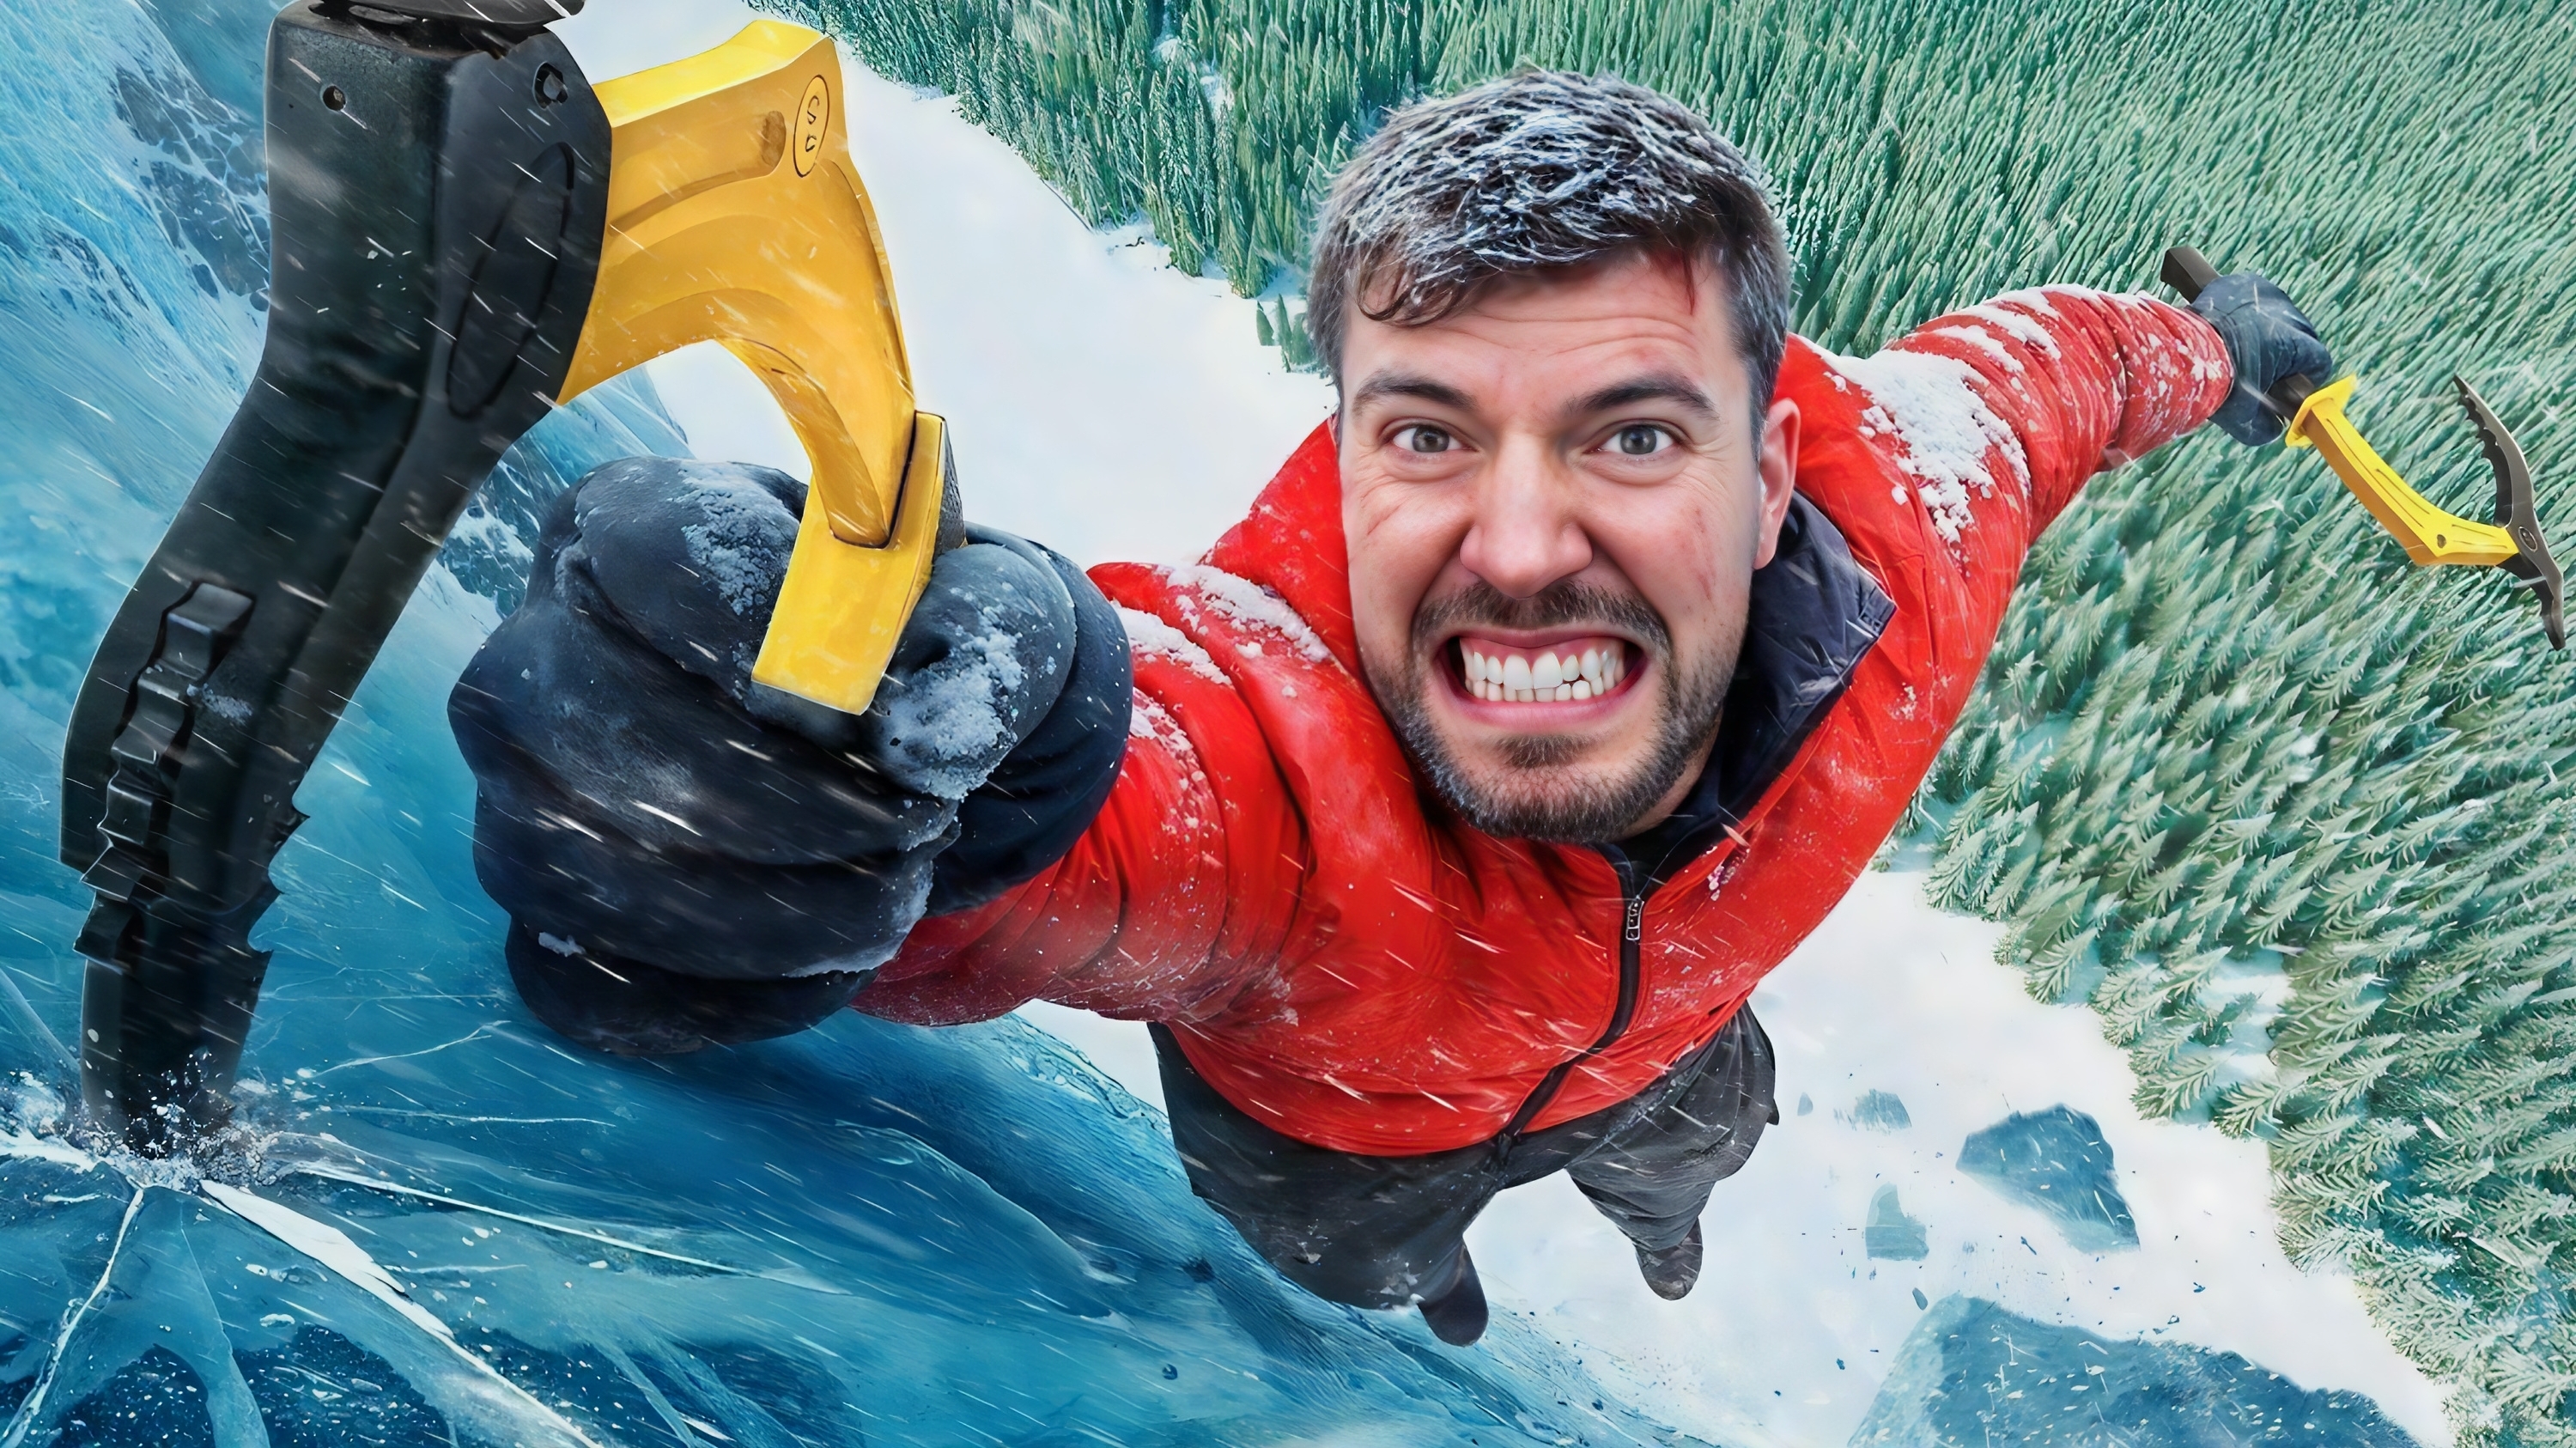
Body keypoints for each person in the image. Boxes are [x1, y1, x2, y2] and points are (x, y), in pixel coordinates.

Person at [448, 70, 2330, 1346]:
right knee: (1357, 1265)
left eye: (1634, 435)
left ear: (1773, 475)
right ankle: (1436, 1292)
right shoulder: (1282, 781)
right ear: (1348, 458)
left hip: (1664, 1037)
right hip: (1339, 1135)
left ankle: (1660, 1221)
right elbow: (1137, 808)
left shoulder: (1920, 506)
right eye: (1429, 434)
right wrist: (865, 796)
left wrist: (2218, 353)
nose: (1519, 550)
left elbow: (2055, 371)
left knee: (1696, 1131)